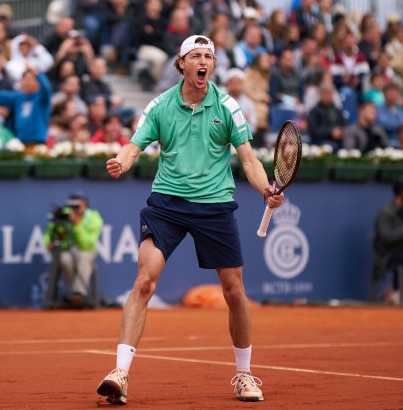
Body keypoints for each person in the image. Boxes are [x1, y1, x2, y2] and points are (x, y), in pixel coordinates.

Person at [97, 35, 284, 405]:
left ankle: (244, 374)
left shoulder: (228, 107)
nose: (204, 62)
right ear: (181, 64)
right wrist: (124, 161)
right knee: (144, 283)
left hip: (215, 205)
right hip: (167, 203)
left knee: (234, 291)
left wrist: (266, 189)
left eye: (209, 57)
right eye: (196, 56)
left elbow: (248, 161)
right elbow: (134, 146)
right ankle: (120, 373)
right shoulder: (159, 106)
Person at [44, 191, 104, 308]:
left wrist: (77, 224)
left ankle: (78, 294)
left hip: (87, 251)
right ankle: (77, 295)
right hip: (67, 251)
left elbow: (87, 243)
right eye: (72, 204)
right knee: (65, 258)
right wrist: (48, 242)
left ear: (85, 204)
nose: (74, 208)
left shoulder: (94, 217)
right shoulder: (65, 214)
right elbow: (50, 231)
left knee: (83, 256)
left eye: (78, 205)